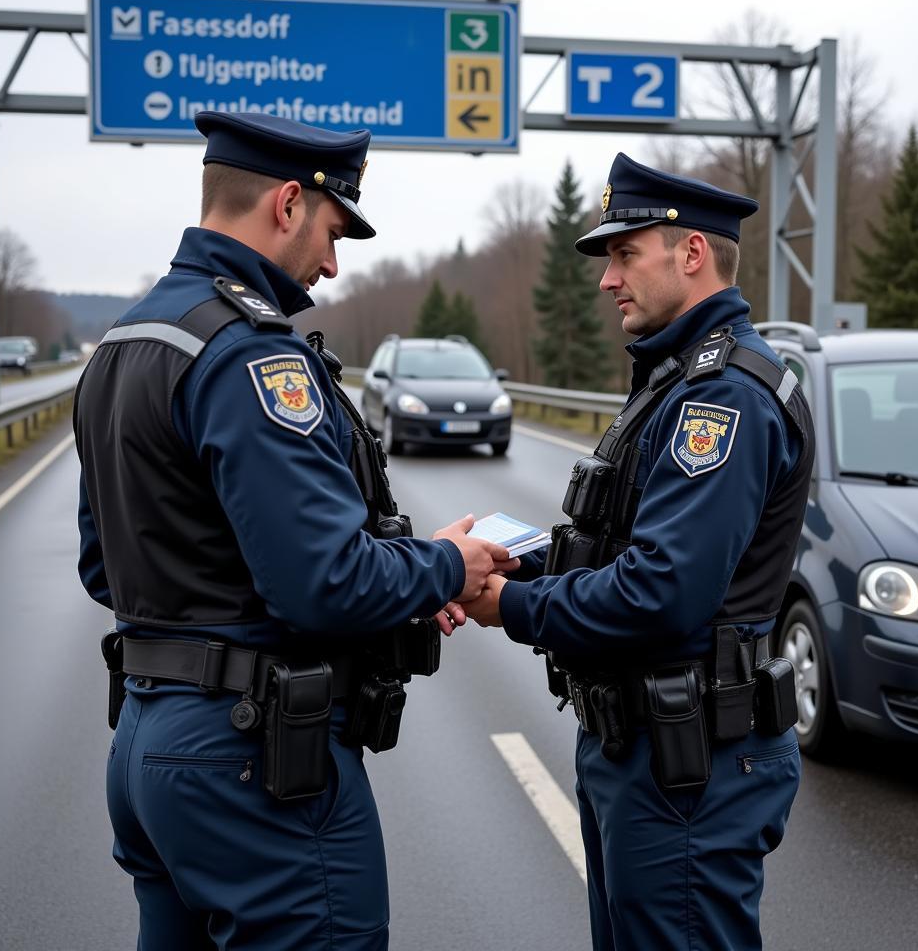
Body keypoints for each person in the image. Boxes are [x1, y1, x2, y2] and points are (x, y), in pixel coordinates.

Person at [73, 111, 516, 951]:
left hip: (145, 743)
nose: (331, 263)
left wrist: (412, 566)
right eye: (332, 230)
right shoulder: (250, 357)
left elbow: (107, 567)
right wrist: (445, 567)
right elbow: (323, 583)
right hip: (252, 764)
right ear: (286, 203)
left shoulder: (125, 342)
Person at [464, 152, 815, 951]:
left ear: (690, 253)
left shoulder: (721, 399)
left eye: (624, 254)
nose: (606, 278)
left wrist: (509, 606)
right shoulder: (674, 380)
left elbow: (661, 591)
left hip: (689, 771)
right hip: (648, 754)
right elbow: (620, 545)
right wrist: (515, 563)